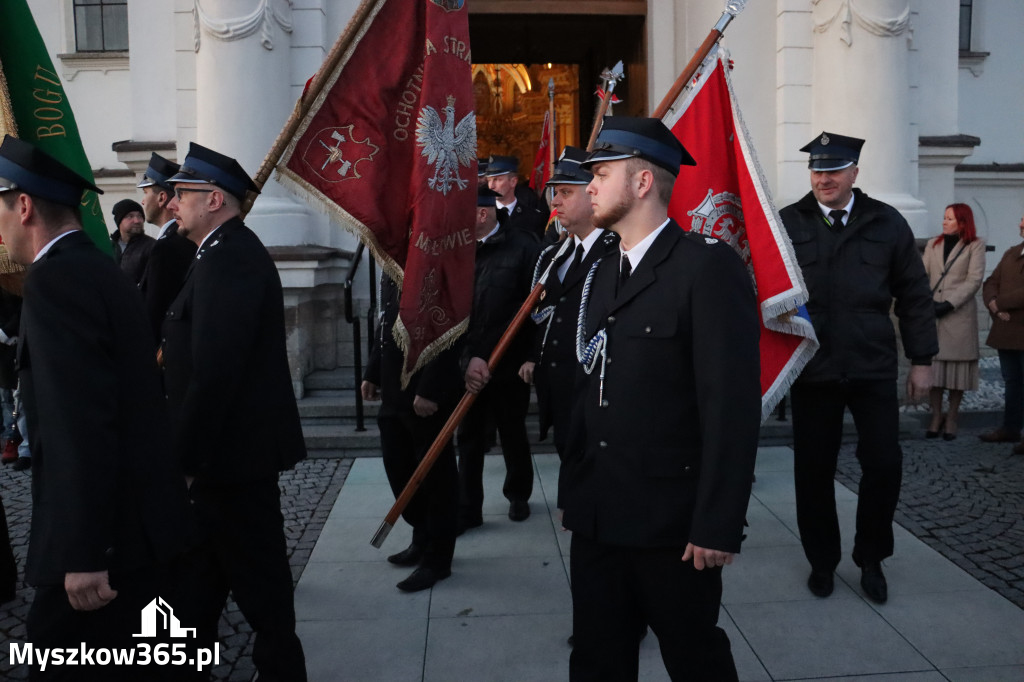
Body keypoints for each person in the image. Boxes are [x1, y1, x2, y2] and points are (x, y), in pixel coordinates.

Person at [563, 117, 761, 681]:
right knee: (597, 660)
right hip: (599, 517)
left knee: (694, 658)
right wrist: (575, 488)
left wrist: (718, 523)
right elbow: (588, 387)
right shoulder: (601, 269)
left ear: (643, 182)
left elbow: (731, 407)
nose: (591, 186)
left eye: (601, 174)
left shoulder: (706, 266)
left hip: (671, 528)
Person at [0, 134, 188, 678]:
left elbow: (79, 421)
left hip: (104, 543)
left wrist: (82, 553)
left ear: (26, 206)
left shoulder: (55, 280)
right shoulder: (96, 266)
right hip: (134, 526)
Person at [162, 142, 308, 681]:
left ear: (214, 199)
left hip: (228, 466)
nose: (172, 203)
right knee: (195, 594)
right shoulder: (215, 254)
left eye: (182, 194)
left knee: (262, 596)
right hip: (222, 466)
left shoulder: (230, 259)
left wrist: (186, 461)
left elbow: (215, 373)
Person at [780, 131, 937, 604]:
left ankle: (871, 557)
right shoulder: (788, 222)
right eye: (817, 169)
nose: (824, 178)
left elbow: (914, 295)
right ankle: (822, 562)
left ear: (854, 172)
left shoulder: (886, 223)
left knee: (884, 466)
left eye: (834, 169)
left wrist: (923, 361)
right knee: (812, 471)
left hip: (870, 365)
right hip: (813, 367)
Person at [518, 145, 618, 505]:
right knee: (569, 456)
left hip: (593, 385)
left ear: (592, 192)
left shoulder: (614, 251)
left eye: (565, 192)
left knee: (593, 471)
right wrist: (532, 356)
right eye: (553, 193)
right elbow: (543, 315)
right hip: (557, 384)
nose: (555, 202)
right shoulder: (554, 253)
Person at [361, 271, 462, 592]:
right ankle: (422, 536)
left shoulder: (439, 260)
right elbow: (387, 320)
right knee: (399, 468)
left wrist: (431, 388)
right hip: (393, 387)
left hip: (424, 392)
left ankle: (438, 557)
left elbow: (452, 326)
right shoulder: (392, 260)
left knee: (436, 478)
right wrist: (373, 371)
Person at [457, 185, 540, 532]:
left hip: (509, 362)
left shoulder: (523, 246)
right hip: (468, 363)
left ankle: (518, 495)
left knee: (512, 431)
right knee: (470, 437)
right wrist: (465, 359)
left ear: (481, 213)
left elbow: (538, 309)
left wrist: (531, 356)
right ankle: (468, 507)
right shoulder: (457, 249)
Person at [922, 203, 985, 441]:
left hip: (958, 315)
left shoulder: (975, 246)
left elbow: (974, 280)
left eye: (949, 219)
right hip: (933, 315)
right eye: (944, 217)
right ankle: (936, 415)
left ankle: (952, 417)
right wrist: (923, 301)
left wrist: (949, 303)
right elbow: (922, 274)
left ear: (962, 222)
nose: (944, 222)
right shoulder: (933, 244)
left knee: (957, 372)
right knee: (935, 372)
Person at [137, 153, 197, 345]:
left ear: (162, 197)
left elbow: (156, 310)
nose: (143, 201)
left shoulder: (167, 247)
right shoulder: (172, 240)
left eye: (146, 193)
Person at [979, 214, 1024, 453]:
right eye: (1021, 219)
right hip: (1007, 331)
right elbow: (990, 282)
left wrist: (1001, 303)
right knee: (1012, 382)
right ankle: (1011, 428)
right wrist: (993, 304)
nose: (1020, 224)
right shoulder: (1011, 253)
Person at [485, 155, 548, 239]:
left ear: (513, 182)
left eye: (497, 180)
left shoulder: (533, 218)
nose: (491, 186)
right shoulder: (481, 216)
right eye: (489, 180)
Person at [109, 197, 155, 285]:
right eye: (130, 216)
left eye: (140, 216)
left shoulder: (152, 247)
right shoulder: (109, 247)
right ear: (119, 221)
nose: (137, 221)